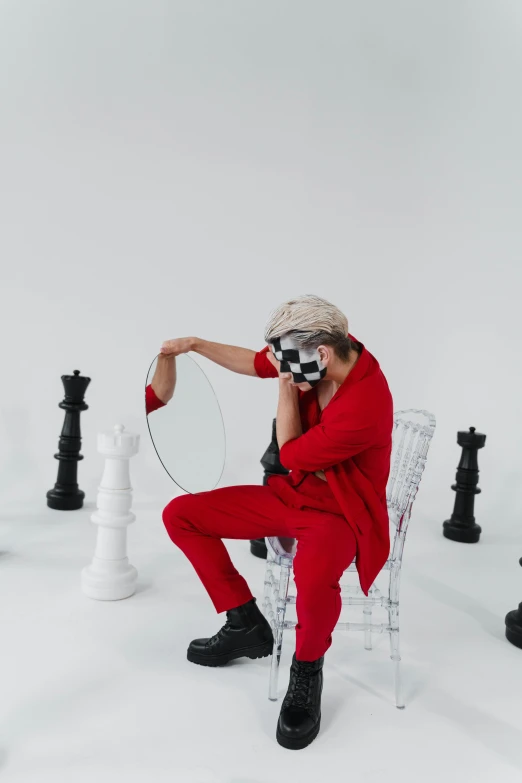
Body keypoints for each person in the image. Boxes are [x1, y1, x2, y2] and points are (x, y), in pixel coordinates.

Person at [154, 294, 393, 750]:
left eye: (288, 365)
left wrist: (286, 391)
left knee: (314, 576)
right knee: (181, 515)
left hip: (339, 513)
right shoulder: (327, 348)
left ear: (321, 354)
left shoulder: (365, 402)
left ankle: (307, 671)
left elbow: (290, 453)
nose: (280, 370)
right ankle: (244, 622)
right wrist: (196, 344)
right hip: (291, 494)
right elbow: (255, 362)